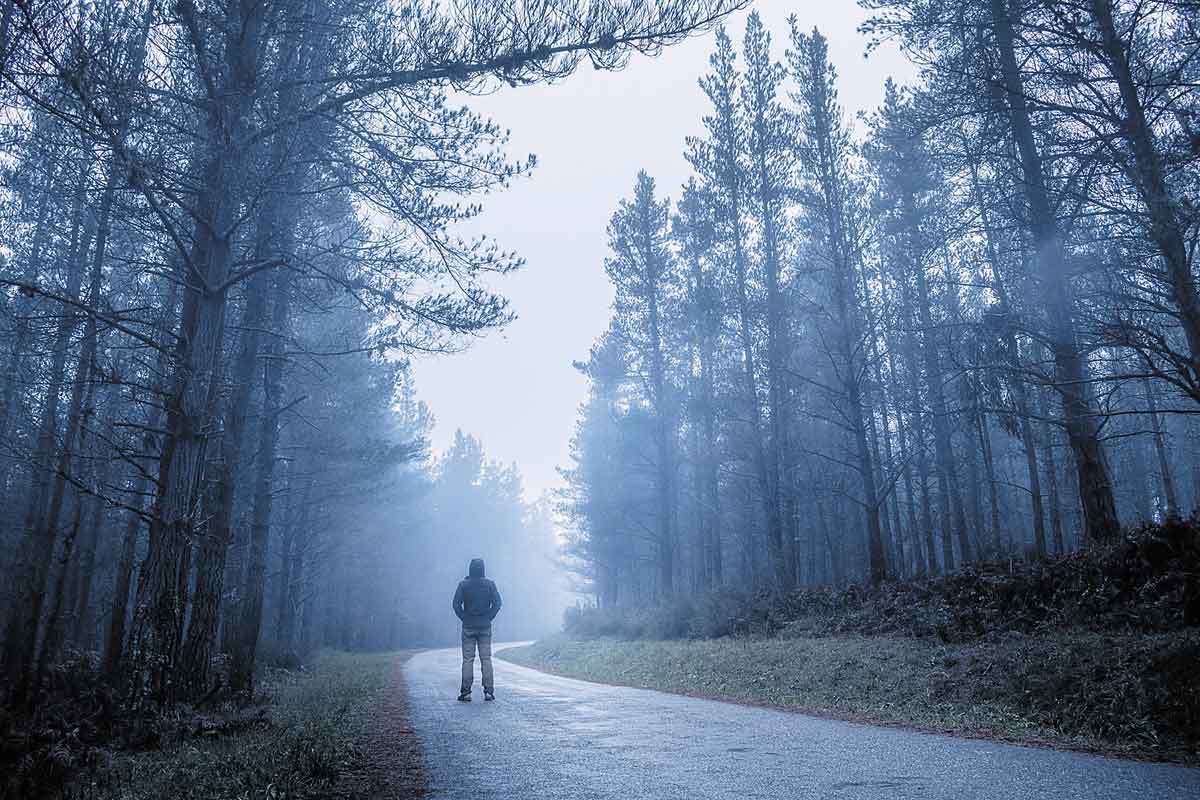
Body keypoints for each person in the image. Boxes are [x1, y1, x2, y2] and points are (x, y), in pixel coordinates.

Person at [452, 557, 502, 702]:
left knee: (468, 659)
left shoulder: (463, 585)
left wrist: (464, 618)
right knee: (486, 659)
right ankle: (489, 692)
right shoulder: (490, 584)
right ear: (483, 569)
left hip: (468, 627)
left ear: (470, 569)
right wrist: (489, 618)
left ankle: (466, 693)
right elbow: (498, 603)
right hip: (485, 627)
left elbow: (456, 605)